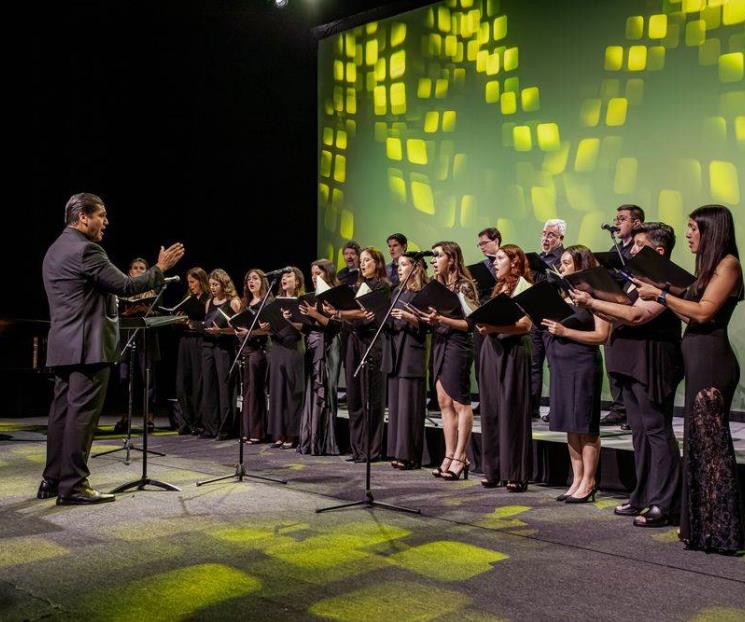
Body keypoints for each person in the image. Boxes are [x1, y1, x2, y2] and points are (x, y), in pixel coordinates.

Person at [38, 192, 184, 505]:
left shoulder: (54, 250)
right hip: (88, 347)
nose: (106, 222)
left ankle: (52, 479)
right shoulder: (87, 250)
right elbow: (127, 286)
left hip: (63, 345)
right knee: (82, 418)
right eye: (101, 215)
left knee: (61, 415)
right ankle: (74, 485)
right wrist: (159, 268)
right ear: (82, 218)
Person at [634, 206, 744, 553]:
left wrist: (662, 296)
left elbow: (704, 312)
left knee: (712, 449)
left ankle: (723, 532)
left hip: (713, 363)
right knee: (697, 446)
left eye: (693, 228)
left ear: (712, 230)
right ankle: (702, 528)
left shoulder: (728, 265)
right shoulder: (708, 269)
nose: (688, 234)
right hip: (697, 360)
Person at [573, 222, 682, 527]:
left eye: (638, 245)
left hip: (651, 362)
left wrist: (592, 301)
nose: (631, 250)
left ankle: (665, 501)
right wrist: (592, 298)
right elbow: (617, 311)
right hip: (629, 362)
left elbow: (636, 315)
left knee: (656, 431)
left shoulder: (665, 277)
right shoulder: (637, 279)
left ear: (658, 250)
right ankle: (643, 494)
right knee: (639, 432)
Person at [541, 246, 610, 503]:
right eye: (561, 263)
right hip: (561, 365)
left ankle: (589, 482)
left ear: (581, 265)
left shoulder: (595, 296)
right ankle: (577, 479)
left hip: (583, 365)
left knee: (584, 425)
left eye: (567, 263)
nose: (562, 268)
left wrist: (565, 332)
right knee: (570, 425)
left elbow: (602, 335)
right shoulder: (563, 294)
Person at [475, 245, 533, 492]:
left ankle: (515, 473)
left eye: (500, 258)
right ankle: (494, 470)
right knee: (491, 409)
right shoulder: (498, 287)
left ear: (514, 261)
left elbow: (525, 326)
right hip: (492, 348)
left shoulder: (523, 287)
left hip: (513, 349)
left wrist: (495, 329)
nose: (495, 263)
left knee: (512, 410)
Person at [325, 247, 390, 462]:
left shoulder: (383, 287)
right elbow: (356, 313)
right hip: (353, 339)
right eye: (361, 261)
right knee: (354, 397)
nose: (363, 264)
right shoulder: (356, 286)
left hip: (371, 341)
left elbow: (368, 314)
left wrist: (341, 313)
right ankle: (357, 448)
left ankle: (371, 449)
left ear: (377, 263)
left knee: (371, 397)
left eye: (367, 260)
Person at [425, 241, 478, 481]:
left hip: (458, 344)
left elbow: (471, 323)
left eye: (437, 256)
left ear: (452, 259)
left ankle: (461, 456)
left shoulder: (464, 286)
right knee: (444, 401)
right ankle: (448, 455)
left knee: (459, 402)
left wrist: (443, 320)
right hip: (440, 342)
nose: (433, 260)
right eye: (432, 257)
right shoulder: (436, 285)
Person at [600, 204, 646, 429]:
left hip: (633, 309)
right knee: (613, 361)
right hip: (613, 310)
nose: (617, 223)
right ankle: (620, 408)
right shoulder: (615, 248)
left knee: (628, 364)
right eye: (616, 218)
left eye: (622, 219)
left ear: (636, 223)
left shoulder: (639, 250)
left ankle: (630, 410)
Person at [385, 253, 429, 469]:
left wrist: (409, 317)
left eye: (403, 265)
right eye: (398, 265)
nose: (399, 269)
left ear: (416, 267)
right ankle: (396, 449)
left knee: (408, 404)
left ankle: (409, 454)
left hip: (412, 350)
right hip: (395, 349)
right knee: (396, 404)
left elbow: (428, 324)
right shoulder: (397, 291)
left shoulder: (423, 292)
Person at [297, 259, 342, 455]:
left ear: (328, 273)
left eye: (319, 273)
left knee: (327, 390)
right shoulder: (311, 297)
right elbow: (307, 328)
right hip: (313, 346)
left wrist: (315, 314)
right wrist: (292, 319)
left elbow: (336, 326)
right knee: (311, 391)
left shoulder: (335, 294)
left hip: (330, 345)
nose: (314, 277)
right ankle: (311, 439)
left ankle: (326, 442)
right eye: (313, 273)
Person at [115, 257, 161, 433]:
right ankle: (124, 417)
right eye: (135, 268)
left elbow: (160, 313)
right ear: (129, 272)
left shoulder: (153, 291)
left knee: (148, 379)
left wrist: (145, 311)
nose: (138, 270)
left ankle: (149, 417)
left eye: (142, 268)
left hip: (146, 338)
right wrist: (126, 313)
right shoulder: (122, 290)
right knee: (124, 377)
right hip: (127, 336)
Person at [530, 219, 566, 422]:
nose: (545, 238)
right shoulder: (538, 259)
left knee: (555, 366)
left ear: (561, 238)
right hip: (535, 318)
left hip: (555, 319)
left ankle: (557, 410)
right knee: (534, 365)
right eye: (544, 233)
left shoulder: (564, 259)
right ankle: (532, 408)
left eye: (551, 235)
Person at [266, 267, 306, 449]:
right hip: (277, 346)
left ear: (297, 281)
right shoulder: (275, 302)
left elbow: (304, 327)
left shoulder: (302, 301)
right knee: (277, 392)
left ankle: (292, 433)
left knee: (292, 392)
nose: (284, 279)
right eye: (283, 276)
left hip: (293, 347)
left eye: (288, 276)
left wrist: (289, 319)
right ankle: (278, 431)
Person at [200, 269, 241, 439]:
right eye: (210, 285)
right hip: (208, 346)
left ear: (224, 284)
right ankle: (211, 427)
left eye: (216, 284)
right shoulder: (209, 302)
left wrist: (222, 330)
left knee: (225, 389)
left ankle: (225, 428)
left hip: (224, 348)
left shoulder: (233, 302)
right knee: (209, 387)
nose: (212, 288)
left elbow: (239, 328)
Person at [235, 269, 271, 444]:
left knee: (256, 391)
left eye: (255, 278)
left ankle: (257, 431)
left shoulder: (266, 302)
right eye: (249, 279)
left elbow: (267, 331)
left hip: (259, 350)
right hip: (245, 350)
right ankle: (247, 430)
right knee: (247, 392)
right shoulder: (245, 303)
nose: (251, 282)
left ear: (262, 282)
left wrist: (250, 332)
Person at [174, 267, 210, 435]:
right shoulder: (187, 298)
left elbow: (207, 321)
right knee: (183, 382)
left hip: (198, 341)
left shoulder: (207, 299)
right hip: (184, 342)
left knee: (198, 382)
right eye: (188, 282)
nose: (190, 285)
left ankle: (199, 421)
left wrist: (190, 322)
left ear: (201, 281)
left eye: (193, 282)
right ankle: (186, 420)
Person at [473, 227, 501, 411]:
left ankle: (498, 400)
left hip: (499, 317)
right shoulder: (482, 265)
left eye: (485, 242)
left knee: (496, 362)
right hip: (481, 314)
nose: (482, 247)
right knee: (480, 360)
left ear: (496, 240)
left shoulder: (507, 260)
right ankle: (484, 400)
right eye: (479, 244)